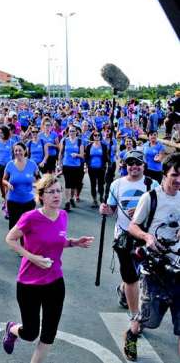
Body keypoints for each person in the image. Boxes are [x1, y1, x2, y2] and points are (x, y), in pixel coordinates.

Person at [3, 174, 94, 363]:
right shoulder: (30, 217)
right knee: (30, 333)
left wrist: (74, 242)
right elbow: (10, 239)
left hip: (55, 281)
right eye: (51, 191)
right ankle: (12, 329)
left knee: (48, 335)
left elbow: (57, 242)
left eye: (59, 191)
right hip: (29, 283)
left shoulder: (63, 215)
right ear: (41, 196)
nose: (56, 195)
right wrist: (31, 257)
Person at [123, 153, 180, 361]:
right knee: (149, 319)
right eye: (175, 175)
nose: (179, 180)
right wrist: (147, 237)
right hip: (155, 268)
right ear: (165, 174)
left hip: (179, 268)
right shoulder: (151, 197)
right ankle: (132, 333)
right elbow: (133, 226)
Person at [99, 150, 158, 325]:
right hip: (123, 236)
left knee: (141, 275)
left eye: (138, 163)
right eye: (130, 163)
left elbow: (157, 212)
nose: (134, 166)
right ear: (126, 165)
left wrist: (142, 213)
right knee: (132, 275)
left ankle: (123, 289)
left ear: (143, 165)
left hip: (144, 235)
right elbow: (111, 210)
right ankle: (135, 316)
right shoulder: (116, 185)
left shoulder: (152, 185)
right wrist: (105, 210)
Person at [3, 143, 40, 229]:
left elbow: (39, 179)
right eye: (15, 150)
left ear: (25, 151)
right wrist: (8, 184)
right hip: (13, 202)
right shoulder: (10, 165)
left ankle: (25, 243)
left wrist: (37, 186)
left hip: (28, 202)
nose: (17, 152)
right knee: (14, 227)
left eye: (20, 150)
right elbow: (4, 180)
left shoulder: (32, 164)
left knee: (27, 228)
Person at [58, 126, 84, 211]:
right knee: (67, 184)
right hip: (66, 165)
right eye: (70, 131)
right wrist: (59, 164)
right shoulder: (64, 141)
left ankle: (71, 198)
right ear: (68, 132)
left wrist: (76, 155)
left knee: (74, 185)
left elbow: (82, 155)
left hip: (76, 166)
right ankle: (67, 203)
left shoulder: (80, 141)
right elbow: (61, 153)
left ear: (76, 132)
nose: (71, 132)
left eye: (73, 131)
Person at [84, 130, 108, 207]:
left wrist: (108, 164)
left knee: (101, 184)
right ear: (93, 136)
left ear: (100, 136)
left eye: (98, 135)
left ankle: (101, 197)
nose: (97, 136)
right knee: (93, 184)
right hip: (92, 168)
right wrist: (86, 165)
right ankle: (94, 200)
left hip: (101, 169)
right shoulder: (89, 146)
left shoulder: (104, 146)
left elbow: (106, 157)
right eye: (95, 135)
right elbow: (86, 157)